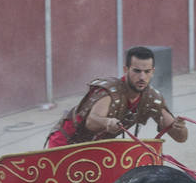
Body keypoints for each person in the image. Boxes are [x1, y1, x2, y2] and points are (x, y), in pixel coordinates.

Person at [46, 46, 188, 147]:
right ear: (126, 70)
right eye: (137, 71)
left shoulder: (152, 98)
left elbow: (180, 138)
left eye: (147, 71)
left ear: (153, 72)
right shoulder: (109, 92)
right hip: (65, 143)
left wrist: (179, 128)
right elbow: (91, 122)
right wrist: (107, 123)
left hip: (97, 148)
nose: (142, 77)